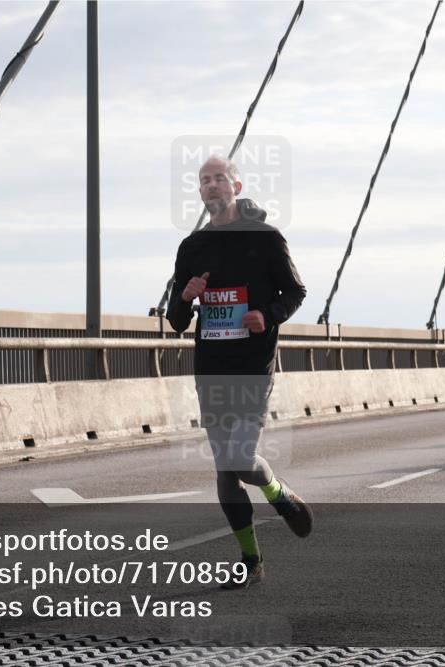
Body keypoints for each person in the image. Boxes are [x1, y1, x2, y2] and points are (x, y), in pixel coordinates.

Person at [167, 154, 311, 589]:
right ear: (200, 191)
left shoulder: (266, 239)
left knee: (239, 459)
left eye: (219, 178)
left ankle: (278, 492)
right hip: (211, 371)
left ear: (237, 186)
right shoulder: (192, 247)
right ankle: (251, 561)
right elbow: (176, 320)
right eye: (204, 180)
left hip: (253, 367)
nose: (211, 185)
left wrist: (268, 315)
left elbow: (296, 291)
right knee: (226, 472)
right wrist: (186, 297)